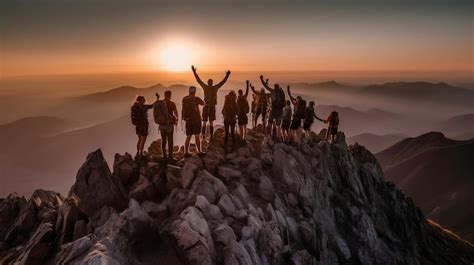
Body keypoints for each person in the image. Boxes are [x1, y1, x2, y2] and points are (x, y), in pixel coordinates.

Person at [191, 65, 231, 142]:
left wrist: (194, 71)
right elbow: (223, 82)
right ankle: (211, 136)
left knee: (204, 122)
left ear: (208, 83)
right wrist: (227, 75)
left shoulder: (205, 87)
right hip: (212, 107)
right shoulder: (215, 88)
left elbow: (198, 80)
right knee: (211, 122)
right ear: (212, 83)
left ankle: (203, 136)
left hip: (206, 106)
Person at [260, 75, 286, 140]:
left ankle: (270, 135)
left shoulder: (272, 91)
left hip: (273, 110)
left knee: (270, 122)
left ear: (274, 87)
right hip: (280, 111)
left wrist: (261, 79)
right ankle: (279, 137)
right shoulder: (281, 92)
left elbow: (265, 86)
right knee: (278, 125)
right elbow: (284, 102)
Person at [155, 90, 178, 161]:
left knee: (163, 140)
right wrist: (176, 119)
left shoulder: (160, 103)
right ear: (170, 95)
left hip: (161, 125)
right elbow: (176, 113)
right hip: (169, 125)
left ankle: (164, 156)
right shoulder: (172, 103)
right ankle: (170, 157)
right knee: (170, 141)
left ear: (164, 95)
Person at [182, 86, 205, 157]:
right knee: (197, 136)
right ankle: (199, 151)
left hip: (188, 121)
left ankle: (186, 152)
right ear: (194, 92)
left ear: (189, 91)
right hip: (196, 120)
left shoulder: (184, 99)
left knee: (188, 136)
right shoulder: (196, 99)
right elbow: (203, 103)